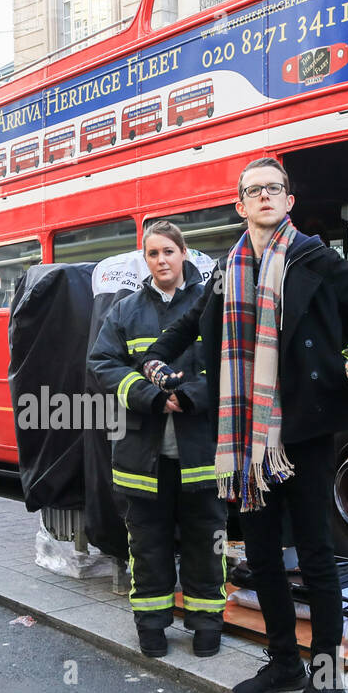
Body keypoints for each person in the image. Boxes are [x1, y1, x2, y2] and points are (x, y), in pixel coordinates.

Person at [141, 158, 348, 693]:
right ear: (240, 206)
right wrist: (156, 360)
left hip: (303, 431)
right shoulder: (226, 269)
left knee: (314, 554)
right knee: (261, 554)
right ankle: (284, 659)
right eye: (252, 190)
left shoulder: (315, 258)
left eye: (274, 188)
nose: (264, 196)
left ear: (289, 200)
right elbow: (186, 325)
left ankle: (327, 676)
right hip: (244, 438)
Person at [88, 222, 227, 658]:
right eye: (153, 254)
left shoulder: (212, 305)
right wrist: (150, 396)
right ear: (145, 260)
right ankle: (151, 626)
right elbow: (102, 362)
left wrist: (188, 395)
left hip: (201, 452)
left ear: (184, 253)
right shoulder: (126, 311)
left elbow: (229, 364)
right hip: (142, 455)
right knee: (147, 544)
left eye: (169, 251)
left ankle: (206, 627)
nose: (162, 260)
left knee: (207, 541)